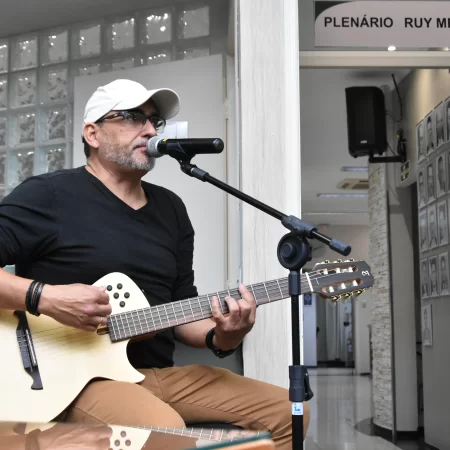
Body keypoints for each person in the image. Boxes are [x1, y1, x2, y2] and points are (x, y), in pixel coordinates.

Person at [0, 79, 309, 449]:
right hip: (77, 380)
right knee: (167, 433)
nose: (149, 130)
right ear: (93, 134)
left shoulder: (171, 209)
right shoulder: (48, 195)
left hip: (158, 373)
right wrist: (45, 297)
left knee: (289, 411)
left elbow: (182, 309)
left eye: (154, 121)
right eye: (133, 117)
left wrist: (225, 334)